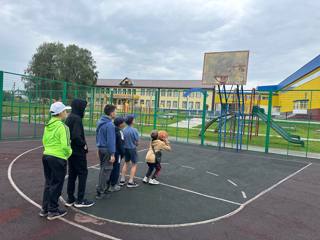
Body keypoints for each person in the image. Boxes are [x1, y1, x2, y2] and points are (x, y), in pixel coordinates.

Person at [39, 102, 72, 220]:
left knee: (49, 183)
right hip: (58, 158)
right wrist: (67, 155)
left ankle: (45, 209)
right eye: (65, 111)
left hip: (46, 156)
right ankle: (53, 210)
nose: (66, 113)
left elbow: (44, 141)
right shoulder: (63, 127)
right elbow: (66, 145)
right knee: (57, 184)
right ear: (60, 113)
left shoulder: (47, 126)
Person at [65, 99, 94, 208]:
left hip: (71, 151)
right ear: (79, 107)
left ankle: (70, 198)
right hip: (78, 152)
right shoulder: (76, 119)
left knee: (72, 174)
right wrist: (83, 144)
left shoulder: (70, 117)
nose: (84, 110)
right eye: (83, 107)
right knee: (82, 174)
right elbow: (76, 136)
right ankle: (80, 200)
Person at [96, 104, 116, 199]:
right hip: (107, 150)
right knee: (106, 170)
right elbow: (111, 140)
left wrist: (98, 147)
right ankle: (101, 191)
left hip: (101, 148)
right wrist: (112, 154)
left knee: (103, 169)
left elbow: (97, 136)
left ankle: (100, 188)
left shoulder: (100, 121)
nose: (116, 113)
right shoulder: (110, 124)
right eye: (115, 111)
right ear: (111, 113)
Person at [120, 115, 140, 188]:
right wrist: (135, 143)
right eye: (134, 119)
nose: (134, 120)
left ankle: (122, 180)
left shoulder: (123, 129)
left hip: (125, 148)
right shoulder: (134, 130)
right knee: (134, 164)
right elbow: (137, 142)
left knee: (126, 163)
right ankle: (130, 181)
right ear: (132, 121)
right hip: (132, 149)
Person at [107, 117, 125, 192]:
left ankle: (107, 183)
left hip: (110, 152)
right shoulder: (119, 132)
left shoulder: (112, 130)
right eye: (123, 123)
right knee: (116, 169)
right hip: (117, 153)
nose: (124, 124)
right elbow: (120, 145)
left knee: (109, 168)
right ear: (120, 124)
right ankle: (113, 185)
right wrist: (123, 153)